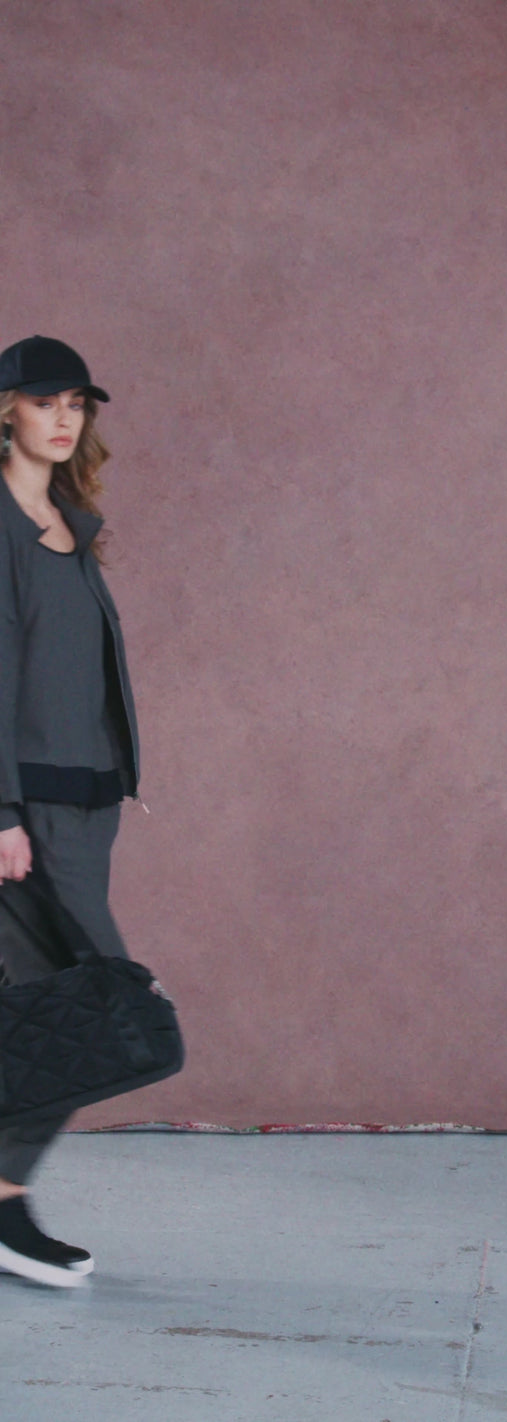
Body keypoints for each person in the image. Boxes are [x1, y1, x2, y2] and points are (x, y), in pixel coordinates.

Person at [0, 335, 140, 1288]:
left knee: (38, 1009)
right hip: (28, 811)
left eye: (77, 403)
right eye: (44, 400)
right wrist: (2, 812)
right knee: (89, 1010)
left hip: (86, 806)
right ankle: (4, 1205)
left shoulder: (69, 522)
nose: (63, 417)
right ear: (5, 411)